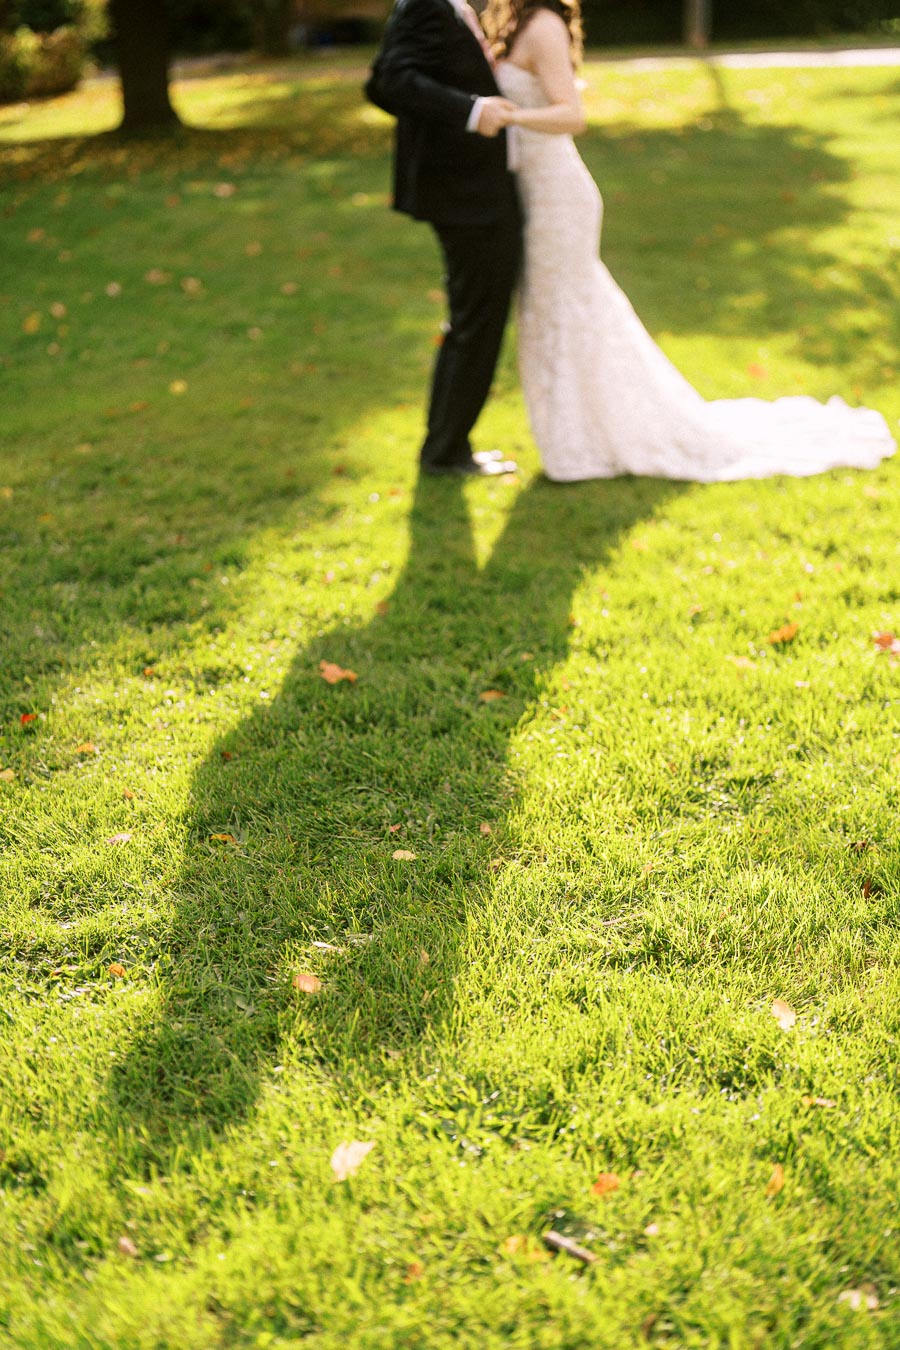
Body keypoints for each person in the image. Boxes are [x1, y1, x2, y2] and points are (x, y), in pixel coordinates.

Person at [481, 0, 896, 481]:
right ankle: (578, 436)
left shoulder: (545, 25)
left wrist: (511, 118)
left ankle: (585, 442)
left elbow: (572, 114)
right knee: (553, 311)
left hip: (557, 195)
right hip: (530, 192)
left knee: (564, 311)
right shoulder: (516, 24)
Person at [365, 0, 524, 477]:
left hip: (471, 190)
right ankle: (447, 451)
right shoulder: (425, 5)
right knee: (477, 320)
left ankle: (447, 445)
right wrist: (471, 111)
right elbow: (387, 82)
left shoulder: (449, 6)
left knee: (472, 319)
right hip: (464, 195)